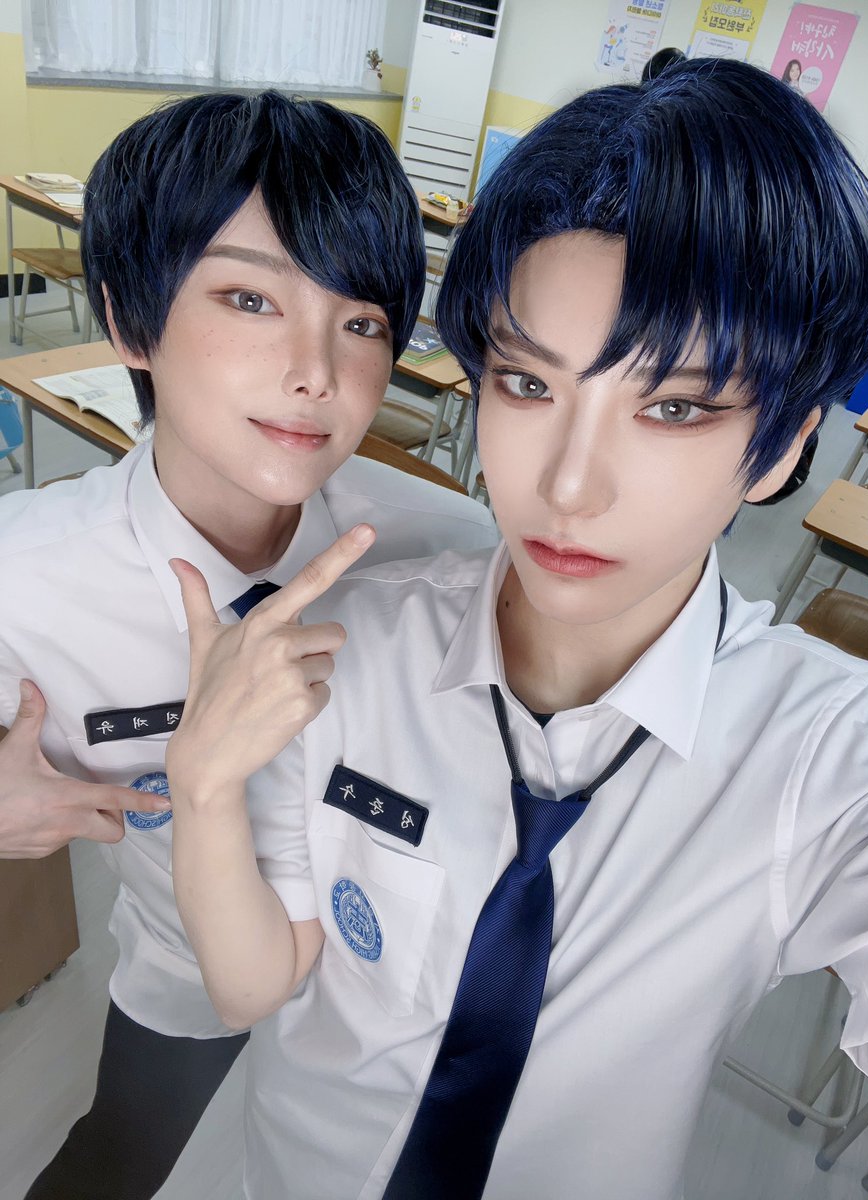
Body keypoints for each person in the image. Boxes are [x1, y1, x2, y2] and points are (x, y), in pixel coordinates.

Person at [167, 59, 868, 1200]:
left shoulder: (835, 758)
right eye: (526, 385)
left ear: (788, 446)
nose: (567, 486)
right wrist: (203, 785)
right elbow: (252, 984)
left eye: (674, 407)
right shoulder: (345, 643)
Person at [0, 91, 496, 1200]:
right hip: (184, 983)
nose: (316, 371)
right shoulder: (23, 575)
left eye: (361, 322)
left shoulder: (447, 549)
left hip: (386, 1010)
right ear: (131, 319)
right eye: (249, 298)